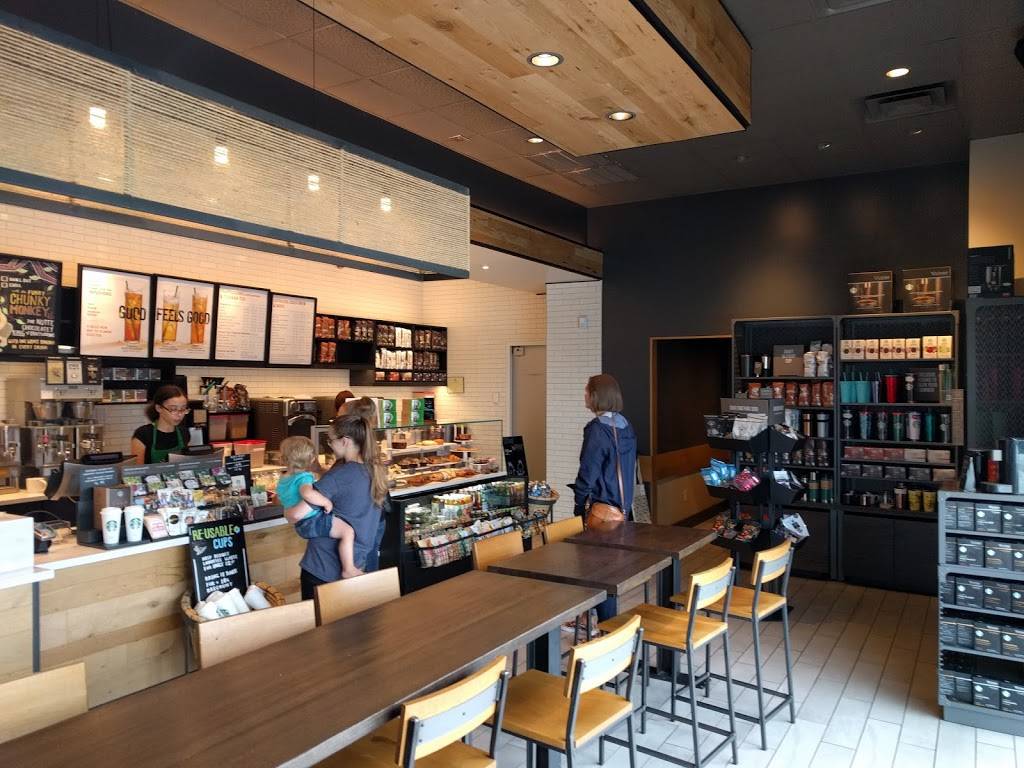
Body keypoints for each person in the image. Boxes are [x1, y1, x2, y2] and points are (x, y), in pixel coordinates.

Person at [297, 413, 387, 599]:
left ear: (345, 441)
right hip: (356, 563)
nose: (329, 445)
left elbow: (298, 514)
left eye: (330, 441)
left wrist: (289, 504)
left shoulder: (339, 475)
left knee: (317, 619)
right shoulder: (375, 470)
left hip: (323, 567)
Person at [572, 373, 637, 622]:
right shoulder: (625, 426)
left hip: (601, 509)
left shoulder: (597, 430)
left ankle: (606, 627)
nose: (584, 395)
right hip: (621, 508)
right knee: (609, 571)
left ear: (596, 396)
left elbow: (588, 472)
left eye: (586, 391)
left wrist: (579, 504)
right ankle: (594, 621)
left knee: (597, 573)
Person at [279, 436, 362, 579]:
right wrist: (325, 502)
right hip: (313, 520)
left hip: (302, 524)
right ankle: (349, 569)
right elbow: (307, 493)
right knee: (348, 532)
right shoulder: (304, 477)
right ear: (311, 459)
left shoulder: (284, 478)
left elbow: (281, 498)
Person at [338, 397, 389, 572]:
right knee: (369, 561)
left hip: (361, 520)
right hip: (374, 515)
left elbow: (344, 480)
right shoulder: (369, 444)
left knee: (362, 566)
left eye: (339, 417)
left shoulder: (354, 451)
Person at [130, 384, 189, 464]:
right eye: (173, 409)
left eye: (183, 409)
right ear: (159, 408)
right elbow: (137, 469)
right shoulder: (143, 434)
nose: (179, 414)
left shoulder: (184, 433)